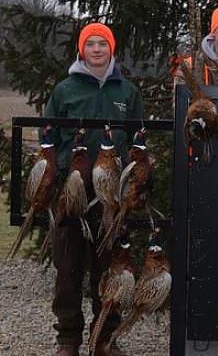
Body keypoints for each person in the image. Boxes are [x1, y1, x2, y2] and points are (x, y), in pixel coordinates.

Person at [44, 22, 144, 356]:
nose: (97, 49)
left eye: (103, 44)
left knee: (110, 267)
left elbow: (136, 142)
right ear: (82, 50)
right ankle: (68, 339)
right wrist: (65, 170)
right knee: (69, 266)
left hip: (111, 194)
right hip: (72, 191)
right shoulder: (64, 91)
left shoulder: (126, 92)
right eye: (92, 44)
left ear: (111, 49)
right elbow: (51, 136)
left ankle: (106, 338)